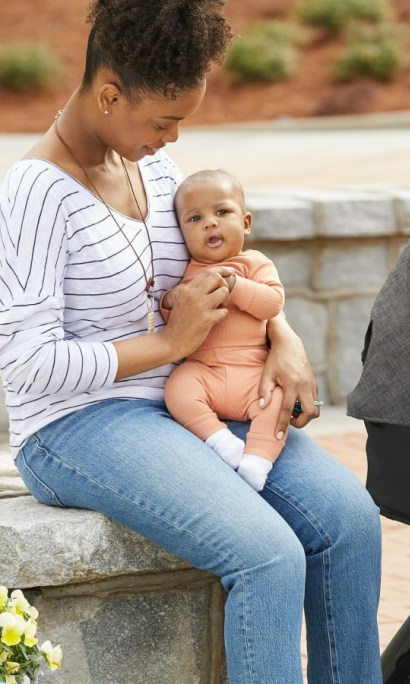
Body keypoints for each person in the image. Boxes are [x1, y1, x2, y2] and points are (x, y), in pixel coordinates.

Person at [0, 1, 382, 682]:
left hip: (193, 400)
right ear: (109, 94)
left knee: (350, 523)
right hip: (75, 423)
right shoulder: (34, 193)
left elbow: (228, 274)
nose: (173, 139)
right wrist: (169, 345)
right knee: (267, 554)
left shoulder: (158, 176)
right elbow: (23, 365)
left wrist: (284, 337)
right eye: (163, 121)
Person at [162, 169, 292, 491]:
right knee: (178, 387)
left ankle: (258, 460)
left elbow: (272, 303)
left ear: (246, 223)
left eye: (222, 212)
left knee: (277, 401)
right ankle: (219, 440)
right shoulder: (188, 274)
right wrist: (172, 300)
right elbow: (173, 324)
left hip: (253, 374)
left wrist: (236, 286)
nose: (210, 222)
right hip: (205, 372)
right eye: (195, 219)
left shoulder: (254, 263)